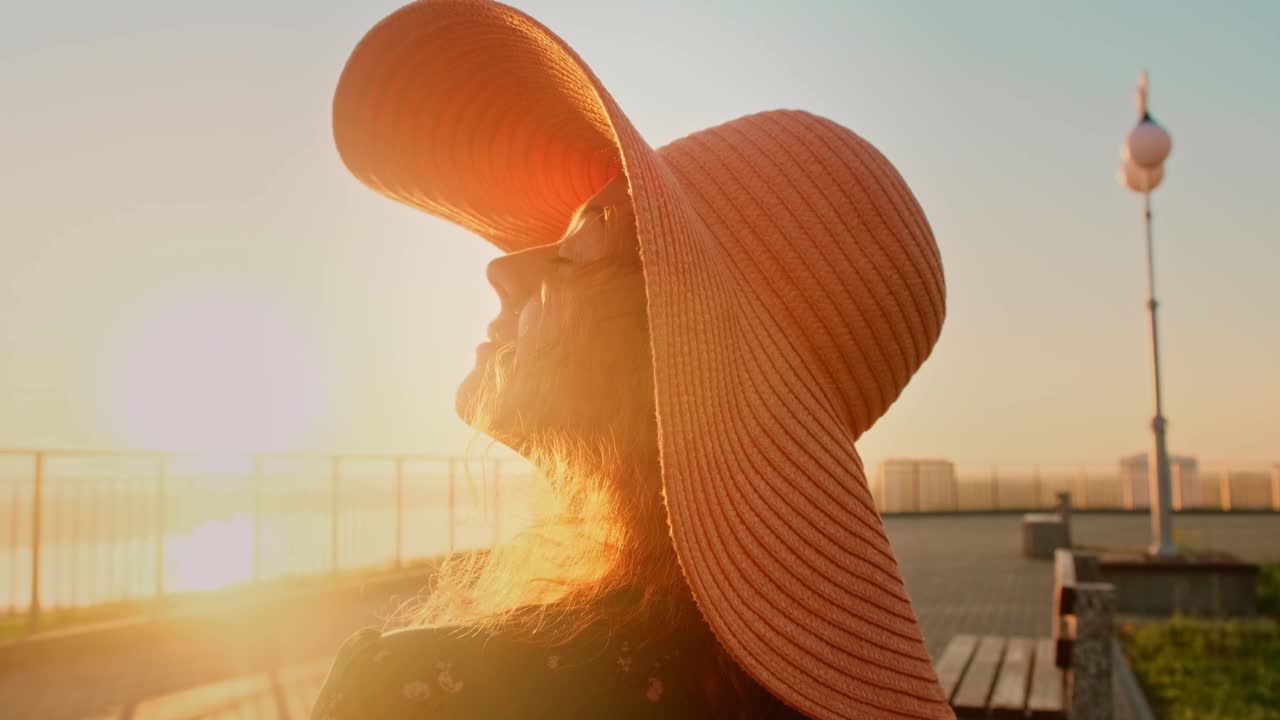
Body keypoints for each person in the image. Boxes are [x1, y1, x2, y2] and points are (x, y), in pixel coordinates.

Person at [313, 1, 952, 718]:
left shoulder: (415, 692)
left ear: (669, 345)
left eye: (587, 236)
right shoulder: (758, 695)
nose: (503, 271)